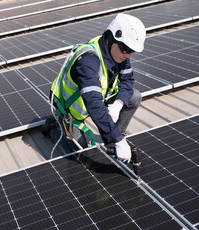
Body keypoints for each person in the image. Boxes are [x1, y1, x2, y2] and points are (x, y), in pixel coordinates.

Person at [42, 13, 146, 163]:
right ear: (110, 38)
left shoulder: (121, 55)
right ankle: (53, 129)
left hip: (94, 99)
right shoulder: (88, 60)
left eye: (131, 51)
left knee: (134, 97)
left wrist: (118, 105)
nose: (128, 55)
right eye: (125, 48)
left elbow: (128, 81)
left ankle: (115, 138)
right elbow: (94, 103)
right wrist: (118, 140)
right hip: (69, 107)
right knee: (81, 152)